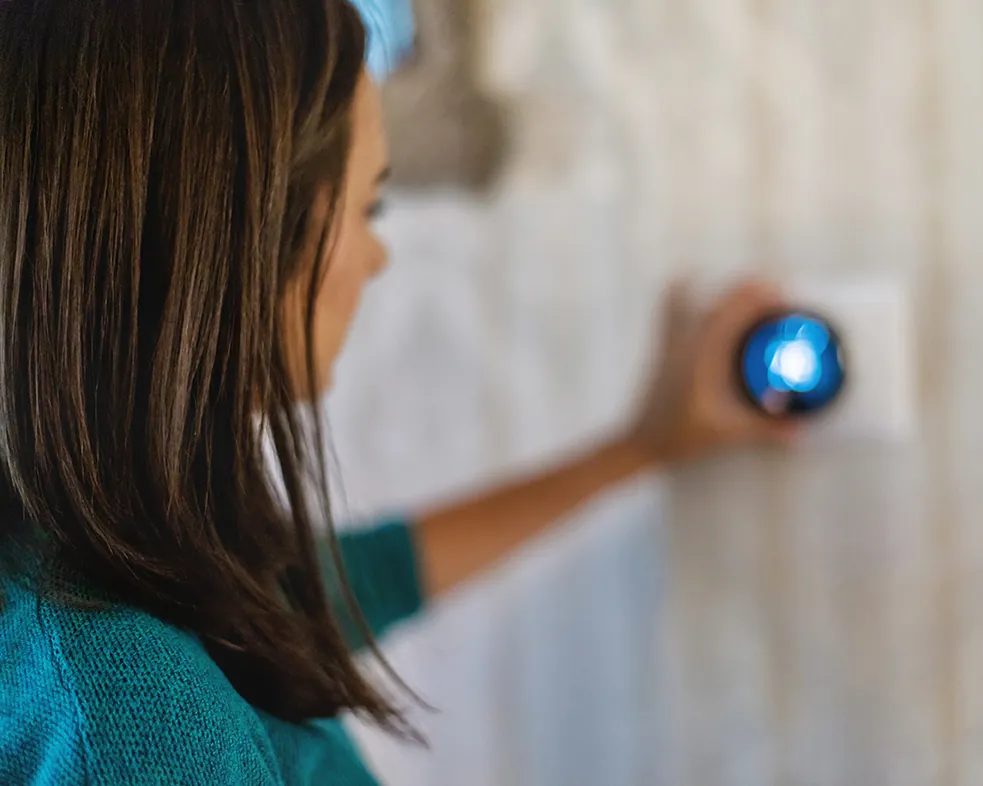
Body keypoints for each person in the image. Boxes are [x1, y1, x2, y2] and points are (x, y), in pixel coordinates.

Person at [0, 1, 797, 784]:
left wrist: (641, 447)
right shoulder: (135, 718)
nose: (378, 256)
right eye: (368, 207)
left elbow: (333, 590)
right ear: (241, 241)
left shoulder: (78, 556)